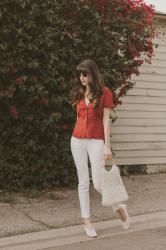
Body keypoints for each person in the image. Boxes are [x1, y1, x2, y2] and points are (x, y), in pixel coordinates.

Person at [70, 59, 130, 238]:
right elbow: (78, 117)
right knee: (82, 183)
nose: (82, 77)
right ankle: (87, 222)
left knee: (97, 183)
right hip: (77, 140)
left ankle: (119, 207)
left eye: (85, 74)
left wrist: (107, 146)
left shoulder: (105, 93)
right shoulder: (78, 92)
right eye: (80, 74)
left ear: (92, 74)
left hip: (96, 140)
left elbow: (106, 120)